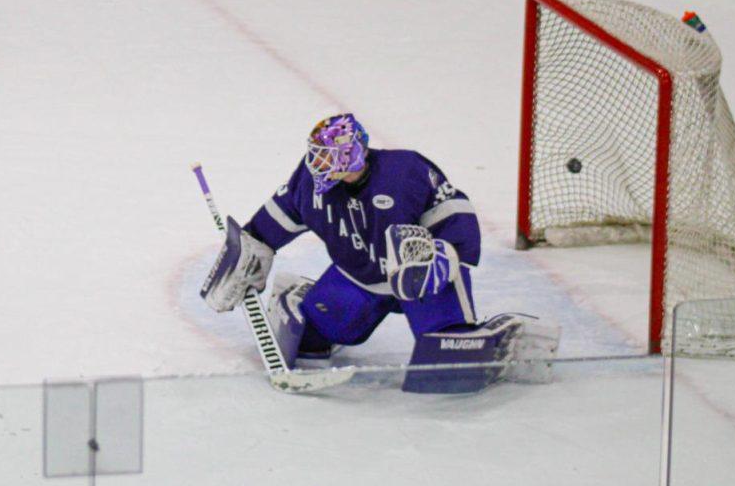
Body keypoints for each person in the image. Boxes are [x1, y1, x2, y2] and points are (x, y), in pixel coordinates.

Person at [201, 113, 558, 392]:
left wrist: (444, 258)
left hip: (419, 279)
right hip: (357, 276)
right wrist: (249, 250)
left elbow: (456, 216)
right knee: (315, 336)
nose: (318, 165)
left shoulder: (405, 172)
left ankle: (504, 337)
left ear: (352, 153)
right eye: (316, 156)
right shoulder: (310, 182)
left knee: (449, 362)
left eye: (327, 157)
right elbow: (276, 219)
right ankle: (300, 297)